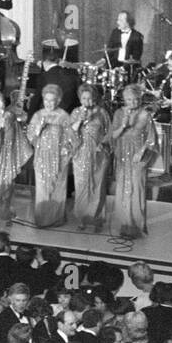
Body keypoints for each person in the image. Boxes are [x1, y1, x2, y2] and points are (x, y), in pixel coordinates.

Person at [26, 85, 76, 229]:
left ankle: (56, 218)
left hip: (59, 158)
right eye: (46, 100)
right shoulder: (38, 115)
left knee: (58, 188)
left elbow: (72, 137)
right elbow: (30, 137)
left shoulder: (64, 116)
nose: (48, 103)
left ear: (58, 100)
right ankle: (42, 219)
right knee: (43, 188)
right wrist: (38, 129)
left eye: (52, 100)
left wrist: (67, 148)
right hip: (42, 157)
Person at [0, 90, 32, 226]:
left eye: (1, 101)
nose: (0, 104)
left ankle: (6, 215)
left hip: (6, 155)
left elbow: (17, 132)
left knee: (7, 186)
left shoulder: (9, 116)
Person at [109, 85, 156, 239]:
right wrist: (123, 125)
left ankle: (136, 226)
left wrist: (141, 152)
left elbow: (151, 140)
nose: (133, 102)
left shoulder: (145, 115)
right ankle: (125, 225)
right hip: (122, 155)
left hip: (138, 157)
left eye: (136, 99)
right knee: (123, 188)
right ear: (124, 100)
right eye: (129, 99)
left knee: (137, 188)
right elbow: (113, 136)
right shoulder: (118, 113)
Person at [69, 84, 110, 232]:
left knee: (97, 187)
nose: (86, 101)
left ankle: (96, 219)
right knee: (81, 186)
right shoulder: (75, 112)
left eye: (89, 98)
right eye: (84, 98)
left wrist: (103, 144)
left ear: (94, 99)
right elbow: (70, 132)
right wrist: (80, 119)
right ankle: (82, 219)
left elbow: (109, 132)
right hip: (80, 153)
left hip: (98, 154)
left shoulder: (102, 113)